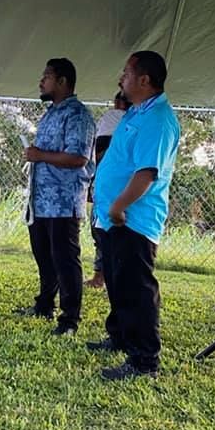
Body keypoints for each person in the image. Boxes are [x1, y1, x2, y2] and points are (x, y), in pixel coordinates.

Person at [88, 52, 180, 379]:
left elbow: (147, 172)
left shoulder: (158, 119)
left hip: (133, 219)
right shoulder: (135, 113)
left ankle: (144, 361)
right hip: (113, 218)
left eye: (126, 72)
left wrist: (118, 205)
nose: (120, 78)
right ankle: (120, 337)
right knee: (116, 281)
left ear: (144, 80)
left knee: (136, 288)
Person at [15, 59, 95, 336]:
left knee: (65, 259)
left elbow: (78, 157)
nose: (41, 81)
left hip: (63, 201)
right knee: (44, 255)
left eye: (47, 76)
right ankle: (44, 305)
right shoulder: (50, 113)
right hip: (41, 200)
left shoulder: (78, 115)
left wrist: (39, 155)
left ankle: (69, 319)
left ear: (62, 81)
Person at [85, 90, 131, 288]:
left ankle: (102, 277)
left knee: (103, 233)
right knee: (117, 235)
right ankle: (109, 277)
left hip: (108, 186)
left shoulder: (113, 117)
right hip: (129, 186)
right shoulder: (140, 122)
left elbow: (100, 154)